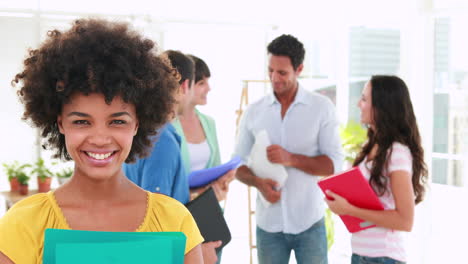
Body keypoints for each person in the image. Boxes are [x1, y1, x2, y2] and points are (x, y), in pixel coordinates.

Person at [0, 19, 204, 264]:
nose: (99, 139)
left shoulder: (174, 220)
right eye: (81, 122)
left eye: (117, 121)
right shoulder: (24, 223)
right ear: (61, 123)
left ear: (137, 124)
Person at [234, 34, 343, 264]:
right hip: (268, 226)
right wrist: (259, 184)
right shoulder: (254, 111)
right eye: (270, 70)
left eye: (282, 72)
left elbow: (333, 164)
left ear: (299, 68)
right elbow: (237, 165)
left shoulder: (321, 108)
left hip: (309, 223)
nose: (274, 78)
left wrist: (291, 158)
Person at [123, 50, 221, 264]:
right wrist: (199, 248)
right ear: (185, 86)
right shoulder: (162, 139)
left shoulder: (141, 129)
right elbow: (157, 216)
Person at [325, 75, 428, 264]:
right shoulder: (371, 147)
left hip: (383, 258)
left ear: (381, 107)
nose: (358, 104)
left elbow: (405, 220)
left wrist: (350, 209)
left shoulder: (397, 153)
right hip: (361, 254)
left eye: (364, 99)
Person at [173, 55, 235, 202]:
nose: (208, 88)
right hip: (179, 210)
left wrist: (223, 181)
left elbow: (215, 167)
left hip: (206, 208)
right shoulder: (168, 127)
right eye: (201, 83)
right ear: (185, 85)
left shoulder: (209, 123)